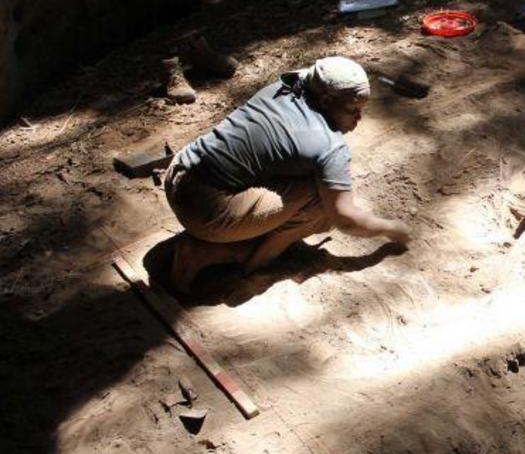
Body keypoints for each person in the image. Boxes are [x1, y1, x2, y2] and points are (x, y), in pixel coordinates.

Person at [162, 56, 411, 293]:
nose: (359, 117)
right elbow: (345, 219)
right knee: (323, 204)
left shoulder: (288, 85)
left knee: (304, 180)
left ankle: (235, 236)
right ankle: (233, 258)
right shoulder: (327, 144)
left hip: (180, 172)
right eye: (353, 108)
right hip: (204, 211)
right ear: (325, 100)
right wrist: (389, 228)